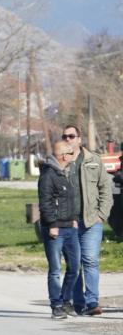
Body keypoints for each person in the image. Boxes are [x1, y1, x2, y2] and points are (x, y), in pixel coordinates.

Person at [62, 124, 113, 316]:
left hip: (91, 221)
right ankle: (78, 303)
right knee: (74, 264)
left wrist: (102, 214)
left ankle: (92, 303)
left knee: (90, 260)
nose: (68, 139)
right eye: (64, 136)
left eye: (71, 136)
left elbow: (106, 188)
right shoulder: (60, 162)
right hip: (69, 223)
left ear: (79, 139)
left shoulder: (93, 160)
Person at [38, 141, 81, 319]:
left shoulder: (64, 173)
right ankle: (56, 305)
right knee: (55, 270)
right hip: (54, 230)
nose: (73, 156)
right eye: (70, 153)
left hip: (70, 227)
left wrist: (74, 220)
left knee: (74, 267)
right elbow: (45, 204)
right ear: (63, 156)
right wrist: (52, 225)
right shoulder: (48, 175)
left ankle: (65, 301)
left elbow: (68, 201)